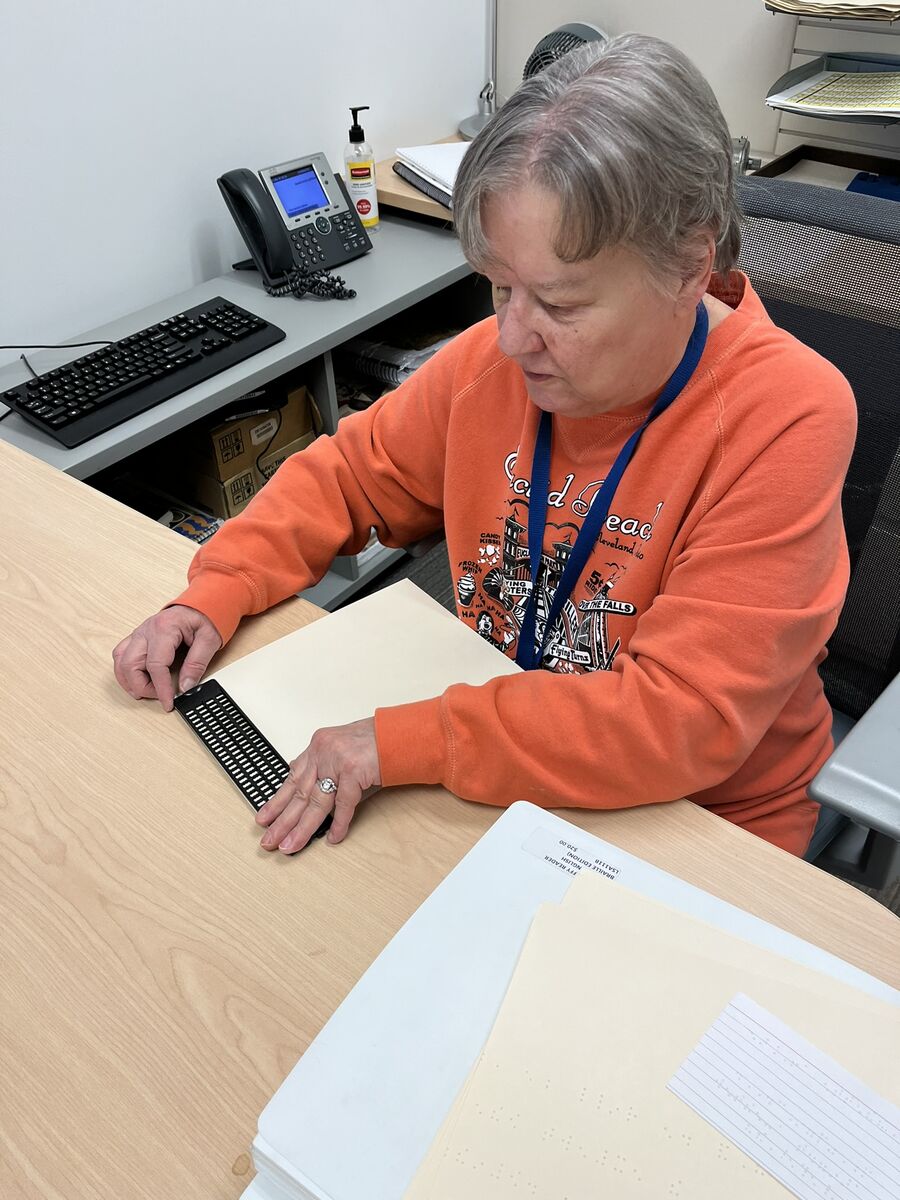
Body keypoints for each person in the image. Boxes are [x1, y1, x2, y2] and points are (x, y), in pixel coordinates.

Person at [113, 33, 856, 860]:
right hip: (512, 763)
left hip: (704, 823)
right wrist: (213, 591)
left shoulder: (788, 414)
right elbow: (347, 478)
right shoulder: (489, 367)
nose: (510, 337)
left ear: (689, 263)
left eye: (560, 305)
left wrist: (405, 741)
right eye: (499, 287)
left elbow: (678, 722)